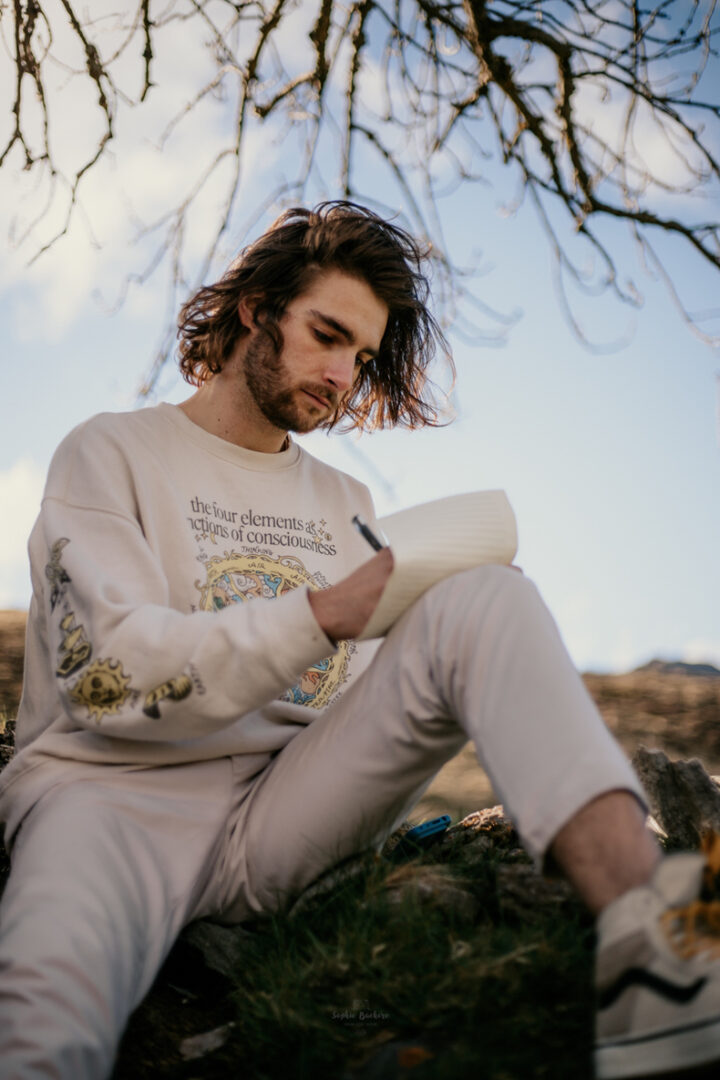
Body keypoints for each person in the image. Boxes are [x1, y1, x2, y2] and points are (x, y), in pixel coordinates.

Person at [0, 201, 717, 1080]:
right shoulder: (110, 451)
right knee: (43, 1037)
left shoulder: (348, 503)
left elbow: (370, 698)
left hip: (283, 814)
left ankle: (665, 960)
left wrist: (464, 627)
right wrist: (326, 612)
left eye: (362, 357)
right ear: (256, 308)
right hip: (111, 800)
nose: (343, 376)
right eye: (327, 335)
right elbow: (109, 681)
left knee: (486, 599)